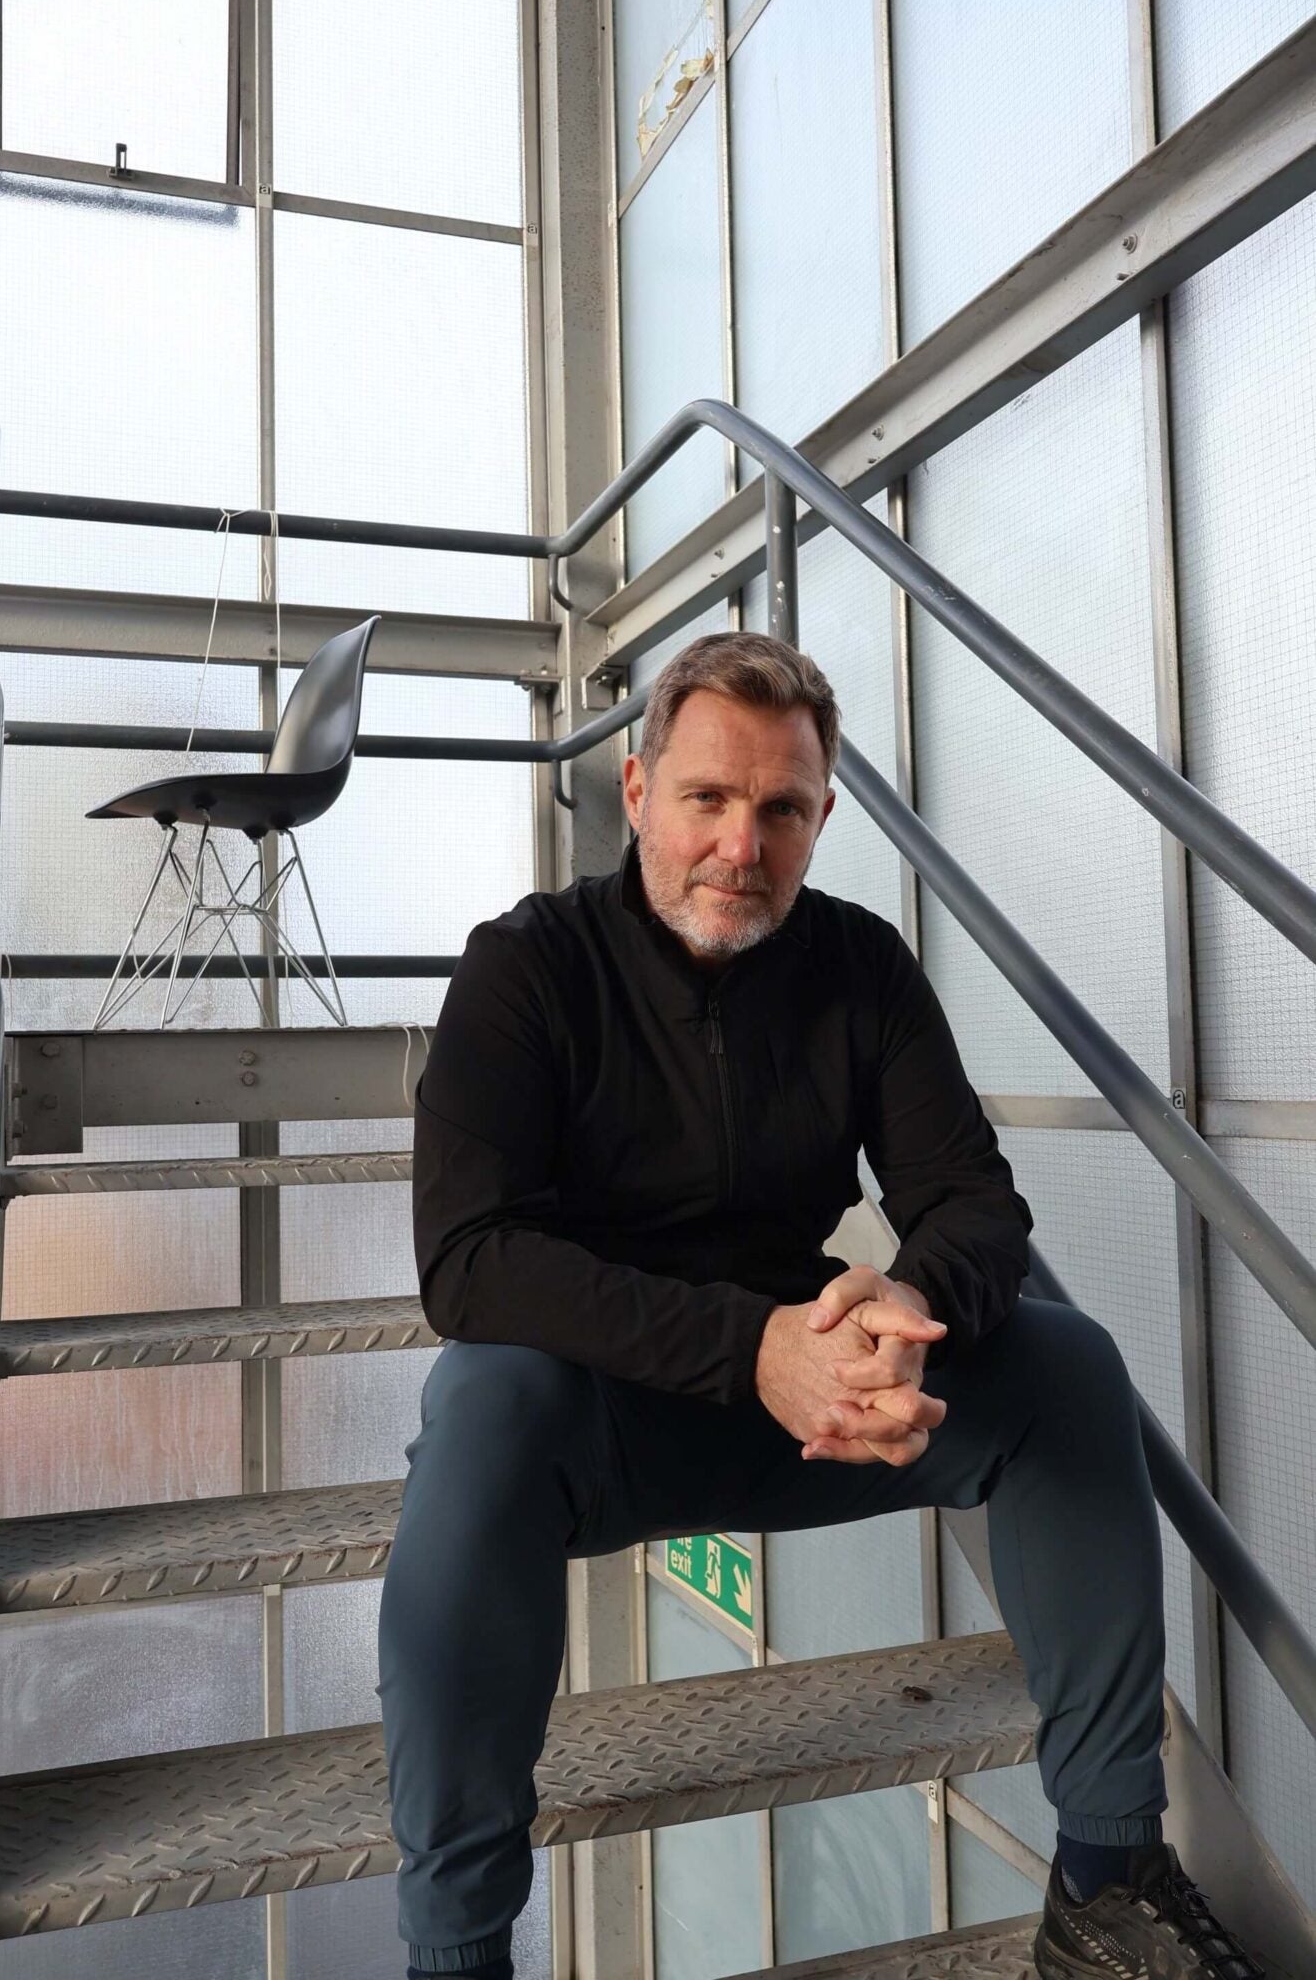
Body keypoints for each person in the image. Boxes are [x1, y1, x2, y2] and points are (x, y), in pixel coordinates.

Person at [377, 632, 1262, 1980]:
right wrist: (754, 1348)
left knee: (1065, 1368)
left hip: (817, 1409)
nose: (741, 846)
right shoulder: (527, 966)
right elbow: (469, 1262)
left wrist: (905, 1301)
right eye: (707, 799)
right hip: (604, 1412)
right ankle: (456, 1952)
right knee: (485, 1401)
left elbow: (975, 1204)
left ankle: (1105, 1881)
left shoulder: (861, 966)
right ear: (636, 793)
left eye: (781, 809)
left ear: (823, 816)